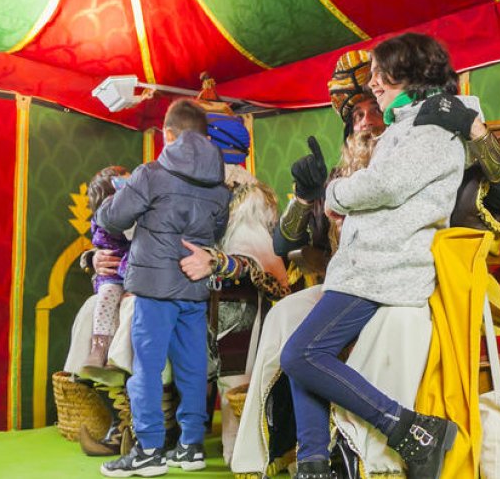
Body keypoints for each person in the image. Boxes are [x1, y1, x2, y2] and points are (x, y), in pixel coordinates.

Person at [276, 33, 475, 479]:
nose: (374, 84)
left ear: (410, 75)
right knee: (302, 348)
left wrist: (334, 194)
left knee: (299, 355)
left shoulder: (432, 128)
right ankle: (313, 465)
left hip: (386, 266)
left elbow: (386, 185)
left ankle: (411, 429)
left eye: (381, 75)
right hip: (368, 267)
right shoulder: (410, 126)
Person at [95, 98, 230, 477]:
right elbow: (215, 235)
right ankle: (190, 446)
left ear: (168, 136)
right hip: (194, 286)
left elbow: (113, 218)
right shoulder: (220, 186)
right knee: (192, 367)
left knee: (147, 370)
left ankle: (150, 449)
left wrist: (111, 201)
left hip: (154, 289)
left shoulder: (151, 173)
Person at [79, 166, 132, 381]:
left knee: (131, 306)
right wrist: (92, 257)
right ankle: (93, 357)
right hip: (118, 274)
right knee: (92, 307)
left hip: (141, 278)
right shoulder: (109, 218)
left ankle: (117, 363)